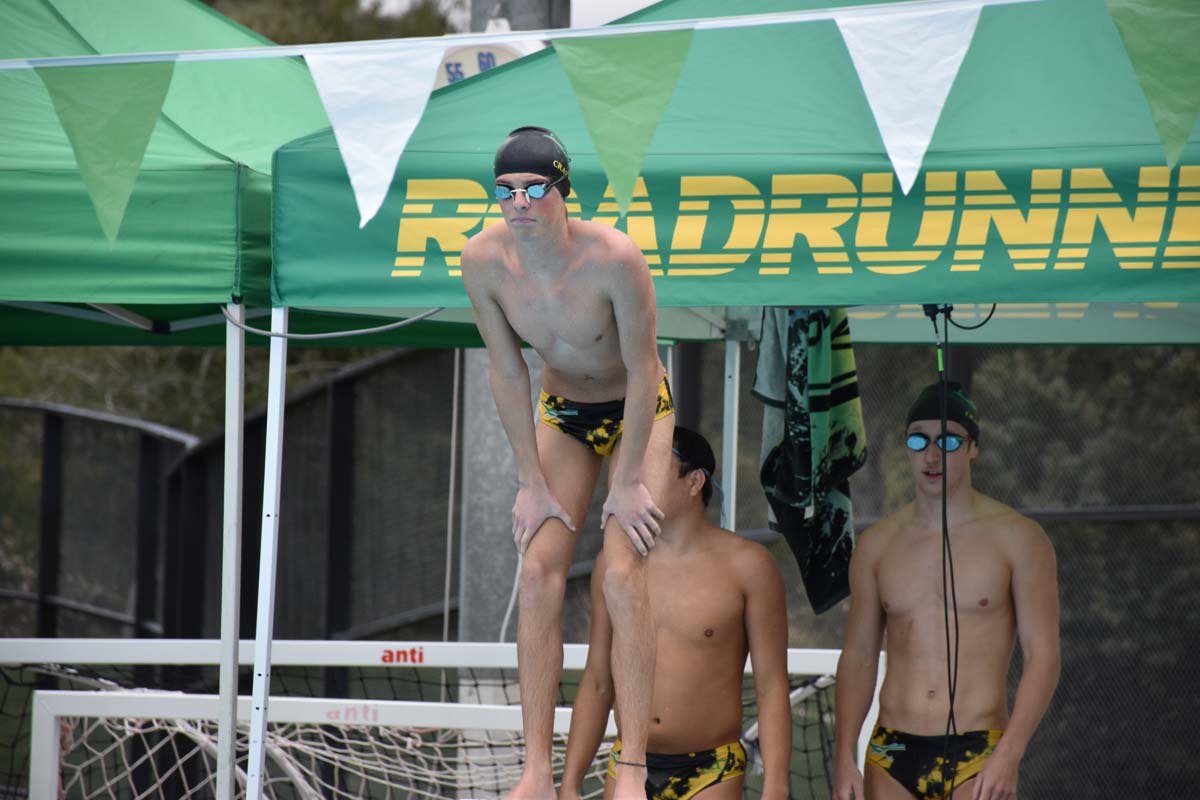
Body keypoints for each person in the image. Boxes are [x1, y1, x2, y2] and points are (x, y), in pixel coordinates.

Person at [460, 126, 675, 800]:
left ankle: (631, 766)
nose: (519, 203)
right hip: (563, 414)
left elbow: (645, 371)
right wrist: (529, 480)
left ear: (562, 190)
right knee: (536, 572)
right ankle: (535, 771)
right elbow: (505, 371)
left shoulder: (614, 257)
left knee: (621, 573)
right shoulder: (482, 261)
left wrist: (628, 479)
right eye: (505, 191)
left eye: (533, 188)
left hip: (640, 409)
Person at [833, 382, 1060, 800]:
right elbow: (859, 654)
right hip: (891, 752)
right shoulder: (878, 544)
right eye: (918, 440)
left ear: (973, 447)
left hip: (979, 751)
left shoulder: (1020, 539)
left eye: (948, 440)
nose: (932, 454)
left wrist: (1010, 753)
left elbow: (1042, 656)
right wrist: (843, 755)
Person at [560, 426, 791, 800]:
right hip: (629, 762)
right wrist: (570, 784)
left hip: (711, 770)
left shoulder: (750, 566)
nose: (635, 478)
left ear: (695, 481)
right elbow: (598, 681)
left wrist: (776, 786)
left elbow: (771, 685)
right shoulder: (614, 564)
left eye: (651, 463)